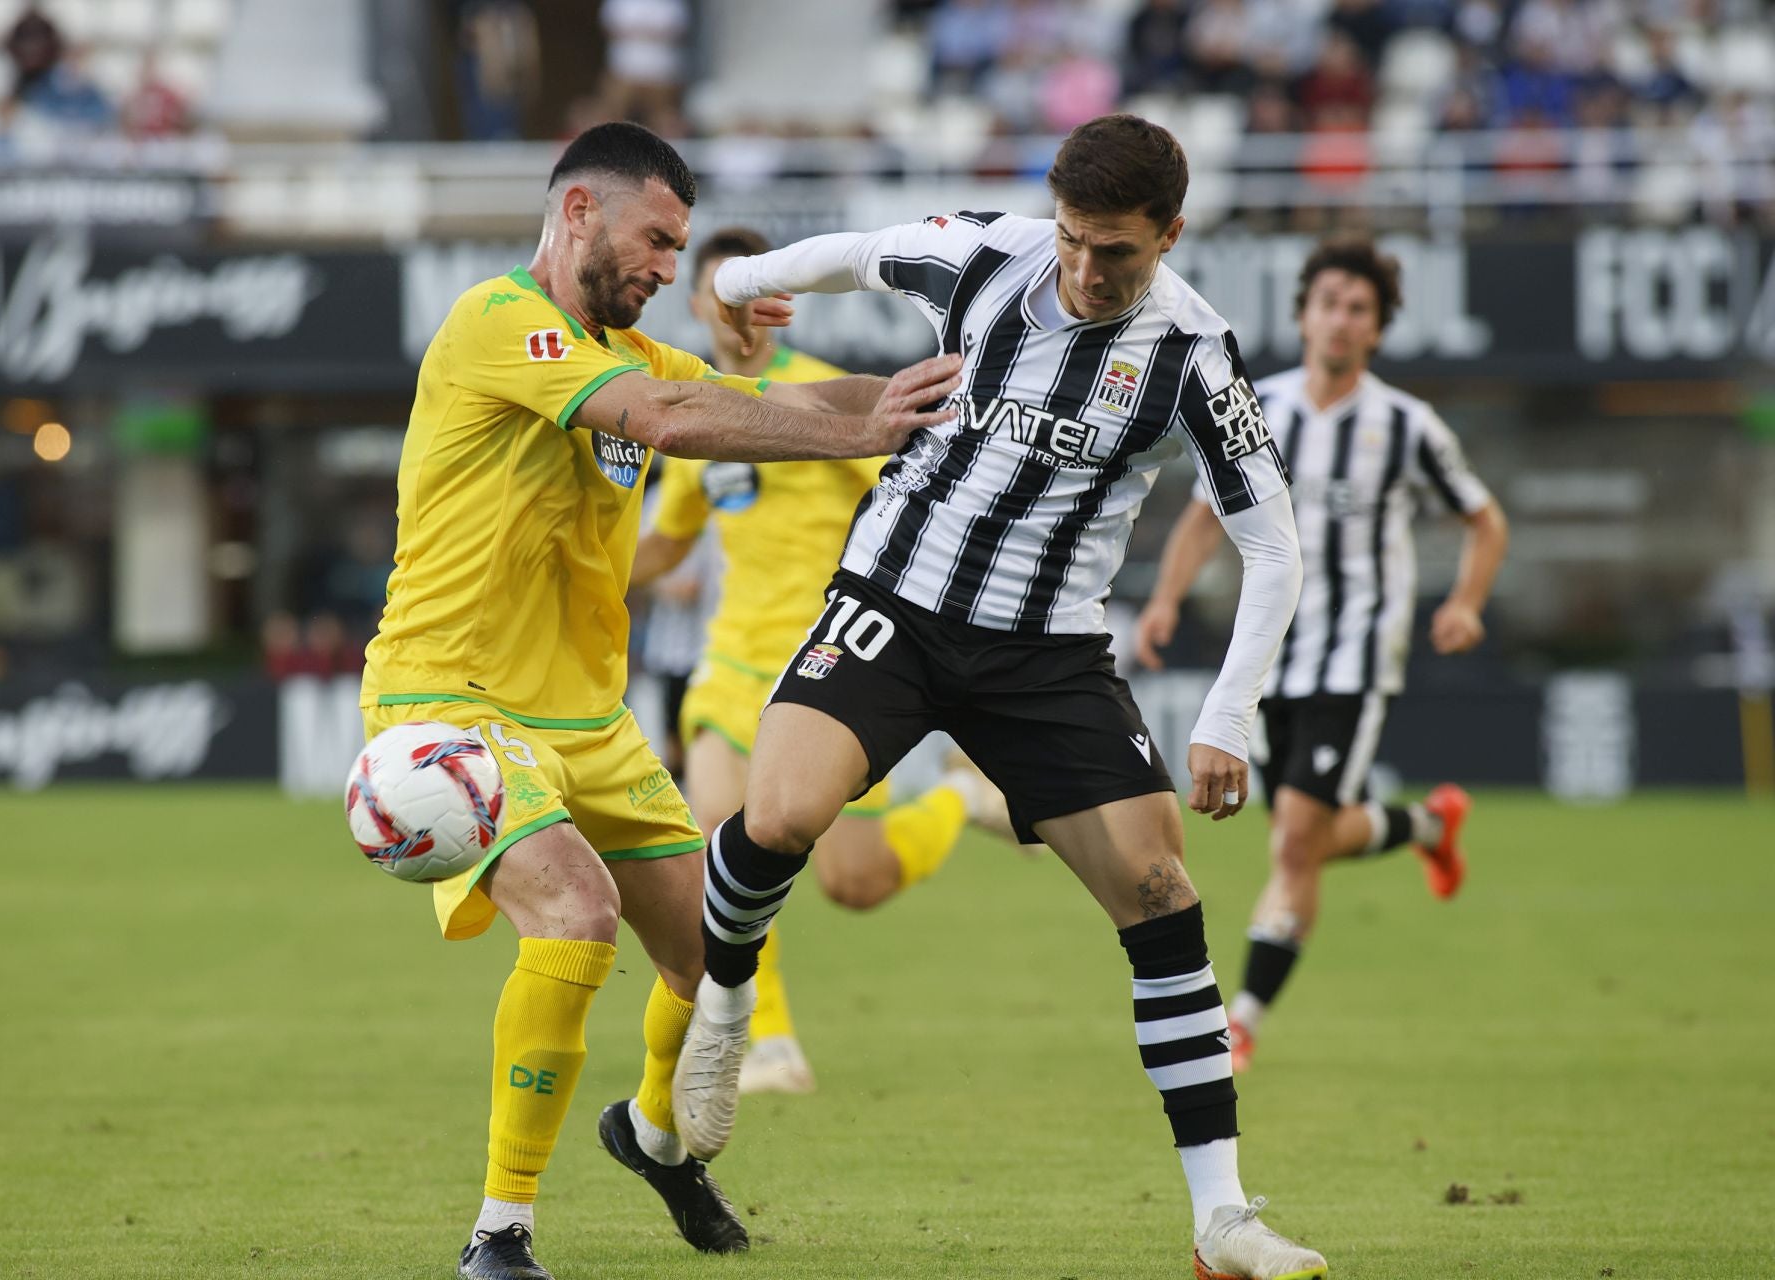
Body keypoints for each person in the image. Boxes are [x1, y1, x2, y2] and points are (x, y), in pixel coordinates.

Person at [675, 114, 1328, 1280]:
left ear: (1171, 235)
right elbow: (851, 250)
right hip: (896, 604)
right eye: (1075, 239)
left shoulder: (1194, 353)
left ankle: (1222, 1219)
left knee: (1164, 894)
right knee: (776, 819)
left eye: (1117, 252)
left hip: (1048, 655)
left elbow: (1271, 544)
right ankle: (725, 1011)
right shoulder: (984, 253)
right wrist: (735, 279)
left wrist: (1229, 713)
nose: (1087, 270)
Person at [356, 120, 962, 1280]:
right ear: (577, 210)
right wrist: (858, 432)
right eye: (655, 238)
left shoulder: (630, 348)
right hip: (451, 706)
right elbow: (673, 421)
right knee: (576, 913)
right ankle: (501, 1229)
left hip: (590, 717)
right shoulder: (498, 322)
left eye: (679, 249)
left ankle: (652, 1136)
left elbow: (776, 391)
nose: (666, 269)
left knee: (715, 951)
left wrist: (940, 389)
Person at [632, 226, 1012, 1096]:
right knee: (711, 858)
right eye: (712, 295)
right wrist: (569, 569)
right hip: (729, 670)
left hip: (831, 668)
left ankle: (960, 798)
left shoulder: (828, 399)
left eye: (743, 293)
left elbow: (906, 494)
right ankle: (766, 1045)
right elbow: (667, 544)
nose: (731, 312)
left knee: (856, 881)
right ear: (695, 306)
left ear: (778, 302)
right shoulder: (700, 409)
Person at [1132, 236, 1510, 1074]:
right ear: (1302, 313)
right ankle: (1424, 823)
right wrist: (1163, 599)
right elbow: (1202, 515)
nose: (1340, 320)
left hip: (1358, 655)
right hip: (1272, 659)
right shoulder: (1254, 405)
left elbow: (1485, 519)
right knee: (1308, 833)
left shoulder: (1406, 425)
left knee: (1294, 842)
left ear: (1376, 330)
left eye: (1359, 309)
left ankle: (1245, 1020)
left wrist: (1466, 603)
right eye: (1328, 302)